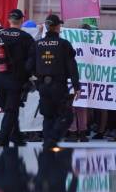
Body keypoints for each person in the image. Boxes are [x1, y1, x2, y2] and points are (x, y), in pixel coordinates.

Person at [27, 14, 80, 149]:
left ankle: (48, 145)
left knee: (48, 116)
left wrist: (36, 81)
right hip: (59, 85)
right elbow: (72, 67)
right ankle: (52, 139)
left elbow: (29, 66)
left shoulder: (37, 44)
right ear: (56, 27)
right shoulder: (64, 44)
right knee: (66, 116)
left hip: (43, 86)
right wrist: (76, 86)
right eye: (59, 26)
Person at [0, 9, 34, 147]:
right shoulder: (26, 38)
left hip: (0, 78)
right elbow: (32, 60)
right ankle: (2, 139)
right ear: (22, 20)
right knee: (11, 110)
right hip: (16, 79)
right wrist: (28, 75)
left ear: (9, 20)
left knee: (9, 108)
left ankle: (16, 137)